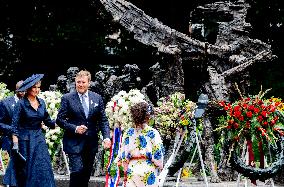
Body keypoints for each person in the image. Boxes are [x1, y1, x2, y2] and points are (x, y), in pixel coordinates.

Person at [56, 70, 111, 187]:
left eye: (83, 82)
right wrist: (75, 128)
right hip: (73, 143)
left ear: (89, 83)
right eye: (78, 82)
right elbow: (59, 120)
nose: (80, 84)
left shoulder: (97, 98)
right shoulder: (67, 98)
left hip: (90, 143)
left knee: (85, 176)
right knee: (77, 173)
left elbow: (103, 120)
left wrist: (106, 137)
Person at [3, 74, 56, 187]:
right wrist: (16, 144)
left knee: (43, 168)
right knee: (25, 171)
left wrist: (60, 122)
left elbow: (48, 121)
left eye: (38, 87)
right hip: (24, 141)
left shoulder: (41, 102)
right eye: (34, 87)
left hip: (39, 139)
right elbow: (14, 126)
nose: (37, 90)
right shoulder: (21, 104)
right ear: (28, 88)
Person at [117, 102, 164, 187]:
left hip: (132, 168)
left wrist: (125, 167)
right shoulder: (153, 133)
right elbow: (158, 153)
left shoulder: (128, 132)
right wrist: (160, 165)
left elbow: (123, 153)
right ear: (147, 117)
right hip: (148, 168)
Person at [0, 80, 25, 155]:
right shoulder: (5, 103)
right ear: (16, 91)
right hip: (9, 142)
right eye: (22, 91)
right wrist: (13, 129)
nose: (24, 93)